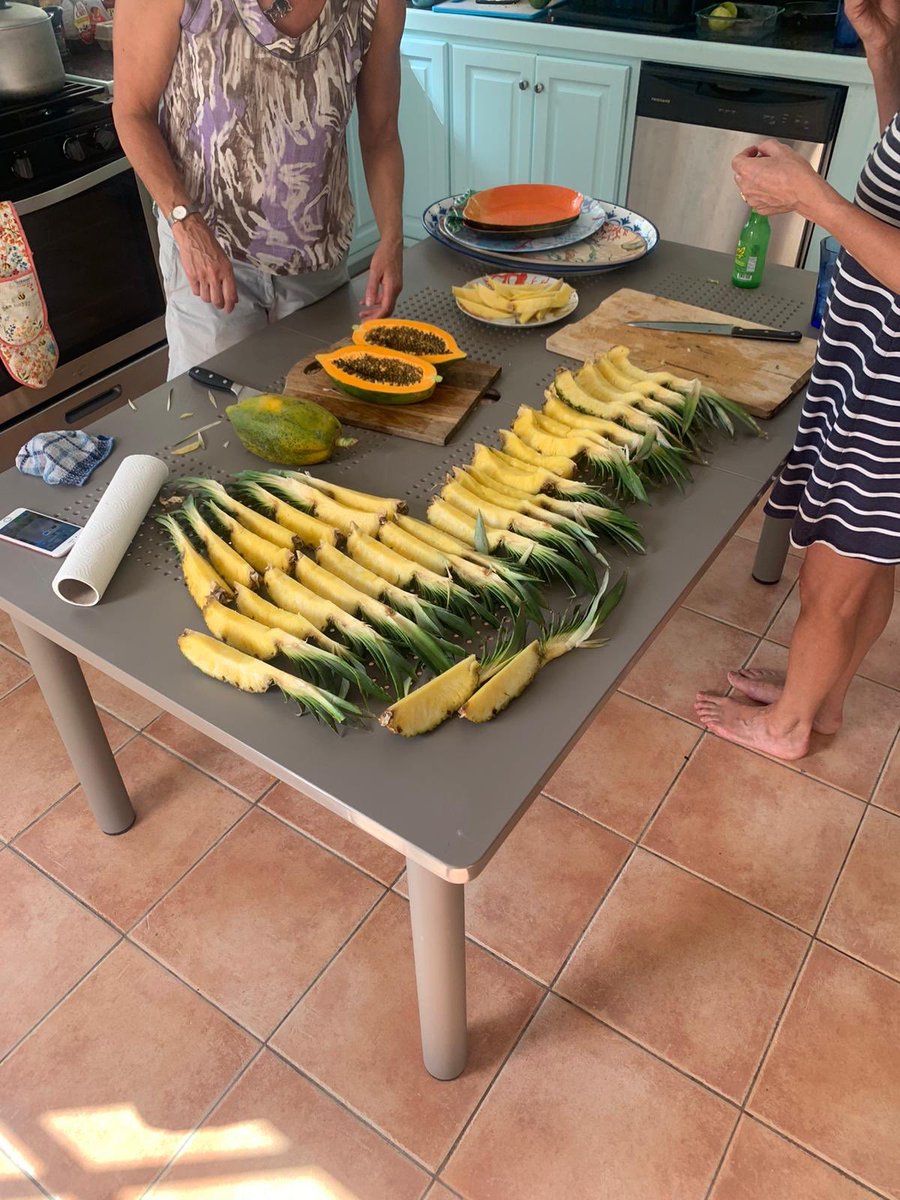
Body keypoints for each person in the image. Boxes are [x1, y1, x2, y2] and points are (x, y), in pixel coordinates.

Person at [694, 0, 900, 760]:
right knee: (865, 553)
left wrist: (811, 199)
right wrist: (882, 52)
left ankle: (787, 729)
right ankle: (826, 701)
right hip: (872, 362)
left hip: (895, 392)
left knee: (830, 581)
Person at [112, 0, 405, 379]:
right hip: (210, 258)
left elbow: (381, 135)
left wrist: (392, 237)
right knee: (210, 420)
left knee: (321, 414)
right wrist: (185, 222)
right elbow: (132, 111)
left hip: (317, 262)